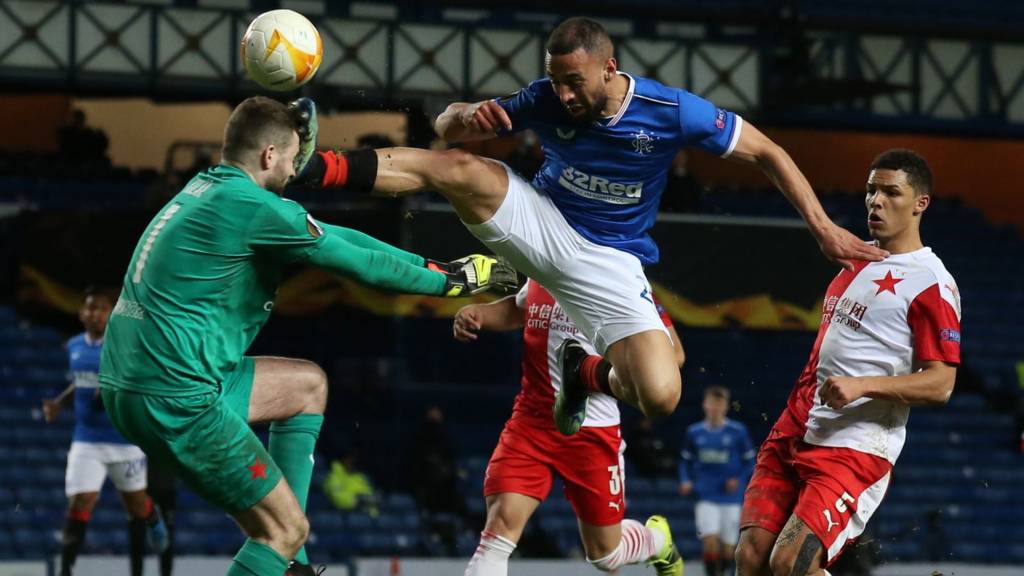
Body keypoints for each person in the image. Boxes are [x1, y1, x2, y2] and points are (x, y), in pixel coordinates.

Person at [298, 16, 887, 435]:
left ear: (609, 68)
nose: (562, 93)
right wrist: (465, 117)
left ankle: (584, 373)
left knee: (660, 395)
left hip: (610, 259)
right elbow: (446, 128)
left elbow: (766, 151)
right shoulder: (545, 99)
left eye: (574, 81)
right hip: (542, 220)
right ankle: (315, 165)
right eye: (554, 80)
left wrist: (822, 227)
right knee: (454, 168)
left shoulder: (670, 112)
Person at [97, 96, 516, 576]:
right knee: (282, 530)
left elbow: (339, 238)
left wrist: (436, 267)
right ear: (269, 157)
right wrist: (452, 278)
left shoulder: (211, 189)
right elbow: (363, 265)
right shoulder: (253, 209)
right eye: (293, 156)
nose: (299, 165)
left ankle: (292, 568)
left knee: (307, 386)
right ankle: (288, 553)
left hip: (133, 381)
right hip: (177, 396)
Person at [734, 149, 961, 575]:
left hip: (855, 445)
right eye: (871, 190)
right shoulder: (853, 259)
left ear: (920, 204)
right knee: (749, 559)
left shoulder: (931, 282)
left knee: (790, 564)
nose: (875, 201)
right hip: (795, 426)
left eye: (891, 192)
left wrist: (863, 385)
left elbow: (941, 384)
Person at [452, 279, 685, 575]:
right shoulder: (541, 268)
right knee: (497, 534)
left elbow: (673, 354)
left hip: (593, 432)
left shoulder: (619, 280)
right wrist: (480, 314)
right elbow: (518, 308)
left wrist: (602, 370)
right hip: (532, 423)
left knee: (605, 556)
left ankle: (657, 540)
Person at [41, 286, 169, 576]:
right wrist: (60, 403)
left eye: (101, 308)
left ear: (111, 313)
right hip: (86, 440)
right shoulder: (74, 345)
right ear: (81, 313)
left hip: (124, 441)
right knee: (80, 503)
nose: (95, 313)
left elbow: (143, 381)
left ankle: (152, 516)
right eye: (90, 308)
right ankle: (65, 570)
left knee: (136, 507)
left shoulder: (124, 345)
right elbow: (81, 381)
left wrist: (114, 389)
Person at [678, 386, 755, 576]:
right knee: (710, 540)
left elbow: (750, 461)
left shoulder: (738, 432)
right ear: (705, 405)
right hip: (706, 494)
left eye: (719, 404)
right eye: (712, 403)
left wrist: (738, 479)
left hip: (731, 497)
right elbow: (684, 461)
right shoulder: (694, 432)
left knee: (729, 546)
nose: (715, 407)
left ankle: (724, 572)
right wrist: (685, 480)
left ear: (726, 407)